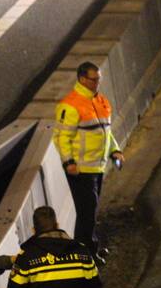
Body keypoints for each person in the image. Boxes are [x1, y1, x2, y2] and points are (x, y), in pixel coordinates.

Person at [53, 61, 124, 265]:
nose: (97, 83)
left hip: (97, 166)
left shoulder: (100, 101)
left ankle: (88, 250)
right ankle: (85, 255)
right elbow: (62, 137)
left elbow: (106, 132)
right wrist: (69, 162)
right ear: (82, 79)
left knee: (89, 212)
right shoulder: (71, 105)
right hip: (81, 170)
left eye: (99, 79)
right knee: (87, 213)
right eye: (94, 79)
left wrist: (115, 150)